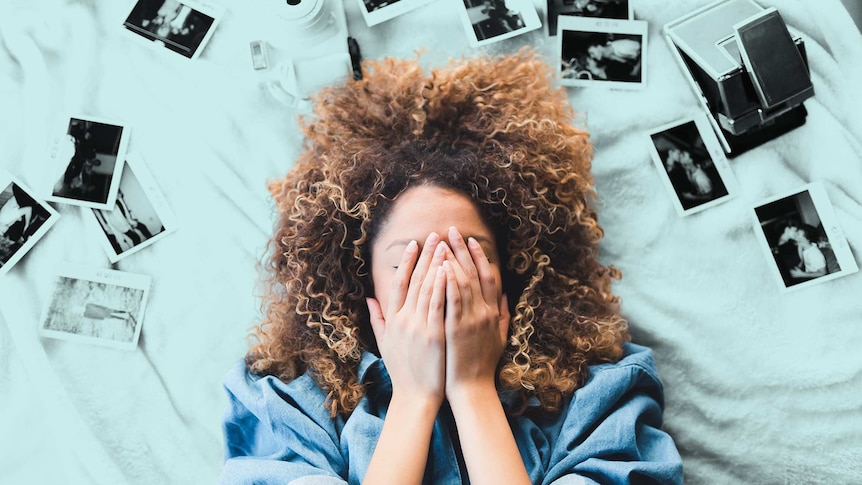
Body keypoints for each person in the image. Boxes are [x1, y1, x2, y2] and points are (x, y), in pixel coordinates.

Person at [221, 49, 682, 484]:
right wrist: (413, 398)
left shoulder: (603, 387)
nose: (442, 278)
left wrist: (473, 389)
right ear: (363, 278)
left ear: (512, 267)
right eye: (410, 260)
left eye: (468, 254)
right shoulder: (285, 399)